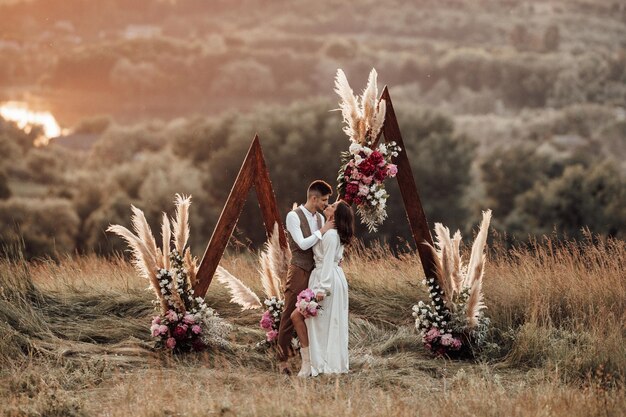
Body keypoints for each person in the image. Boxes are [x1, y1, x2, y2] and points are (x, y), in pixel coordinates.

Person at [276, 180, 335, 375]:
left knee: (309, 317)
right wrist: (323, 230)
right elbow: (302, 244)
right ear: (313, 198)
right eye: (324, 200)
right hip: (299, 271)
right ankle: (282, 361)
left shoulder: (320, 217)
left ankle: (311, 360)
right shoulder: (293, 216)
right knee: (288, 315)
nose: (326, 204)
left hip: (316, 274)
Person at [291, 200, 355, 377]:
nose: (329, 206)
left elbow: (327, 262)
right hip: (325, 277)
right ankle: (315, 363)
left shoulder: (331, 235)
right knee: (321, 324)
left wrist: (322, 289)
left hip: (326, 280)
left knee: (317, 322)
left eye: (333, 206)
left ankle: (319, 364)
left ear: (336, 215)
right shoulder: (329, 231)